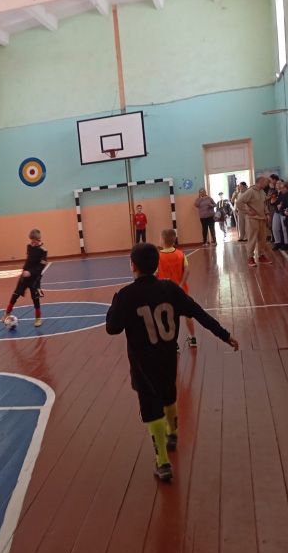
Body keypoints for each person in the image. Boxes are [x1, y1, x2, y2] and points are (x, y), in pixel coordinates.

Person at [106, 244, 239, 481]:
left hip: (142, 365)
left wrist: (115, 304)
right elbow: (197, 312)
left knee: (151, 409)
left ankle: (163, 462)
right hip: (168, 358)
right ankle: (173, 432)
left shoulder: (126, 295)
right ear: (156, 265)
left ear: (133, 266)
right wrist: (224, 335)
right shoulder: (170, 289)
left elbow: (112, 328)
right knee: (169, 395)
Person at [157, 229, 197, 348]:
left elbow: (155, 273)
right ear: (174, 240)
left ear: (162, 240)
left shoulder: (158, 256)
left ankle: (174, 344)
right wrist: (181, 284)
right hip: (182, 290)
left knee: (170, 318)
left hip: (165, 293)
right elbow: (187, 270)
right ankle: (193, 338)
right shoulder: (180, 254)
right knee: (188, 314)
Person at [3, 229, 48, 328]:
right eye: (31, 240)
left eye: (34, 240)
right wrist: (24, 270)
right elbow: (28, 261)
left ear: (38, 239)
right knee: (15, 294)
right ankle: (7, 313)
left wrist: (30, 272)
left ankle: (38, 318)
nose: (32, 242)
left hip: (35, 278)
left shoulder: (43, 251)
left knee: (35, 298)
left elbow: (41, 267)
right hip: (24, 276)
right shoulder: (29, 247)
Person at [236, 177, 272, 267]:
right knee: (252, 239)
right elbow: (239, 202)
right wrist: (247, 211)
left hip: (262, 218)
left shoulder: (262, 191)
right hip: (252, 219)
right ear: (260, 182)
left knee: (262, 239)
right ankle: (250, 257)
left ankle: (261, 256)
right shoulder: (250, 191)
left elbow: (263, 204)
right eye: (265, 182)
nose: (267, 184)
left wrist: (267, 213)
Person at [270, 181, 288, 251]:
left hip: (283, 212)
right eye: (277, 183)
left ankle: (286, 244)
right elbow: (273, 202)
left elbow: (281, 202)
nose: (277, 184)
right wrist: (275, 201)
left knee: (284, 229)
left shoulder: (285, 193)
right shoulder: (276, 192)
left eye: (279, 183)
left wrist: (279, 204)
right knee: (275, 228)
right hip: (277, 212)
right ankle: (277, 243)